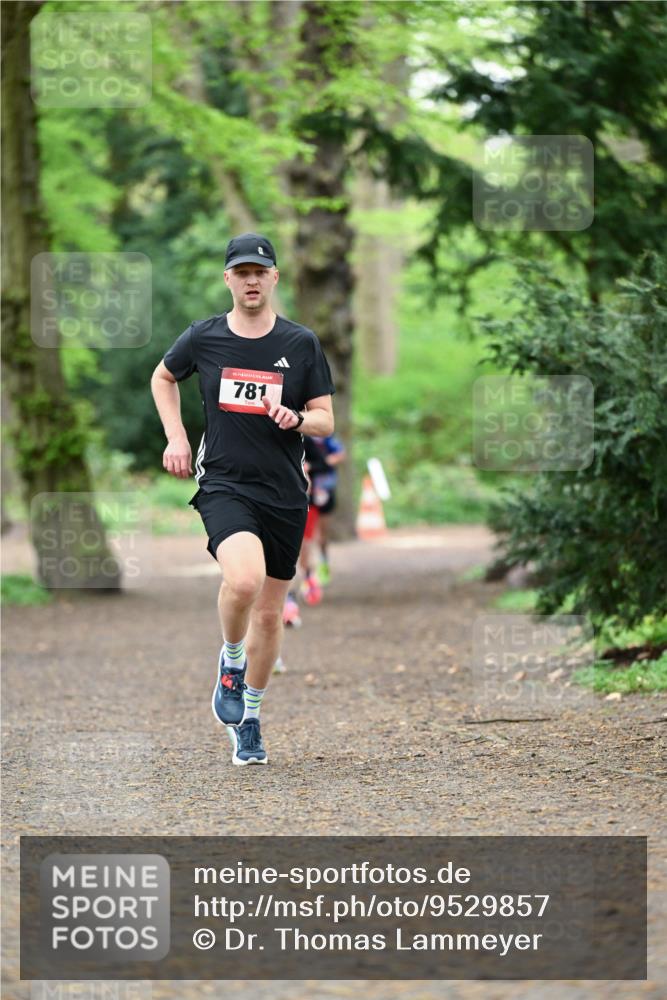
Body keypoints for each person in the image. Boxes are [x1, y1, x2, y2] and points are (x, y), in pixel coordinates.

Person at [150, 233, 335, 765]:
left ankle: (249, 717)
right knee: (244, 581)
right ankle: (231, 662)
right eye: (241, 271)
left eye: (260, 271)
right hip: (225, 482)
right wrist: (177, 437)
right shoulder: (204, 337)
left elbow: (325, 419)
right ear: (228, 279)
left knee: (272, 616)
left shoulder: (301, 343)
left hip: (284, 492)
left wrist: (297, 418)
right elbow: (164, 377)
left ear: (275, 278)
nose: (251, 280)